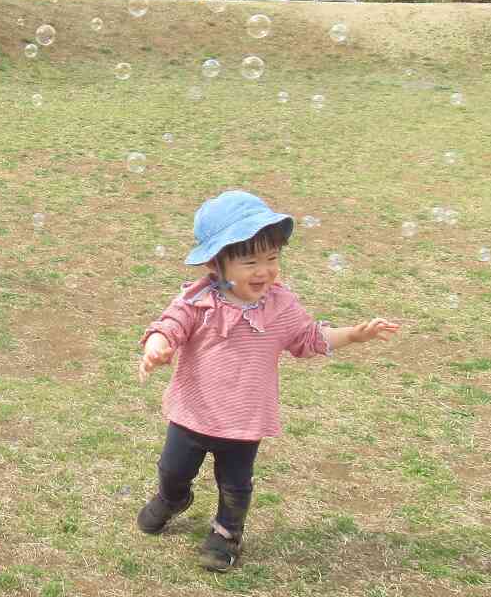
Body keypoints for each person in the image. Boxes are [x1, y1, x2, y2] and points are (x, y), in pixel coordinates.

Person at [135, 191, 399, 571]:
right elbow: (170, 326)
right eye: (250, 261)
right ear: (216, 264)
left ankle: (226, 533)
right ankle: (172, 498)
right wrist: (157, 347)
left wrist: (352, 335)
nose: (264, 270)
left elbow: (309, 339)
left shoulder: (280, 306)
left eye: (272, 258)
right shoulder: (198, 300)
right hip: (193, 412)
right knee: (173, 469)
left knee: (236, 485)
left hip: (244, 420)